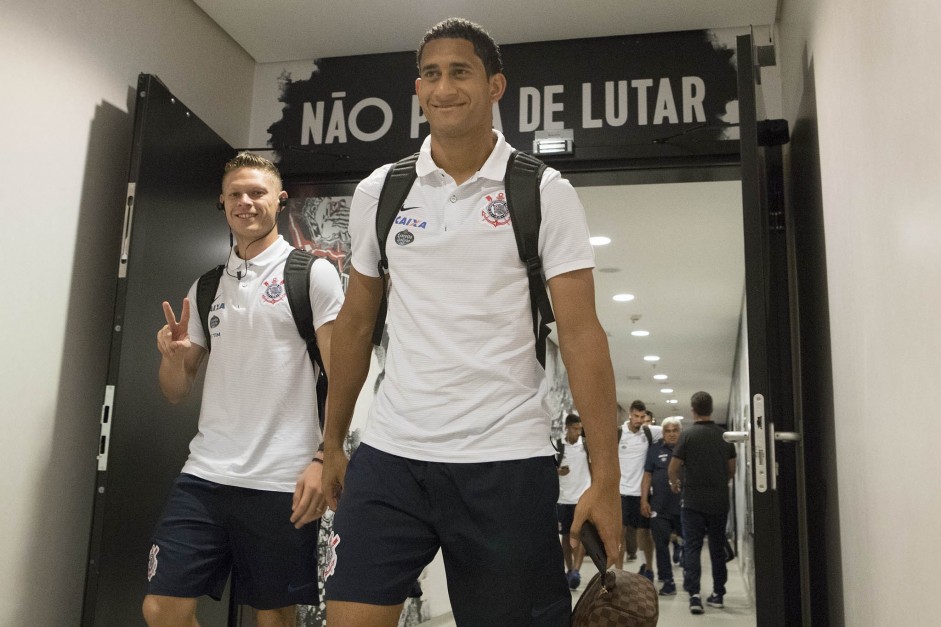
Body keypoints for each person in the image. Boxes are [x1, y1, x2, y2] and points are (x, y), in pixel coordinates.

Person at [320, 17, 621, 626]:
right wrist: (330, 444)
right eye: (430, 73)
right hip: (392, 454)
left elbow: (582, 334)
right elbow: (354, 325)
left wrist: (606, 479)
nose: (443, 86)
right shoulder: (380, 191)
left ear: (495, 86)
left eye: (460, 71)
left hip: (505, 458)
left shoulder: (543, 190)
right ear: (418, 89)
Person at [144, 152, 344, 627]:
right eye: (235, 193)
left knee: (273, 614)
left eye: (257, 192)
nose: (246, 202)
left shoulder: (310, 274)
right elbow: (176, 391)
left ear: (280, 198)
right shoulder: (207, 286)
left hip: (281, 479)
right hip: (205, 474)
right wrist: (171, 359)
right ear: (222, 202)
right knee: (162, 606)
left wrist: (323, 458)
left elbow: (343, 376)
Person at [668, 391, 737, 615]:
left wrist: (675, 484)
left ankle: (694, 595)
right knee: (717, 548)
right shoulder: (724, 436)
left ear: (693, 409)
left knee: (692, 547)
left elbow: (673, 467)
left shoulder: (687, 436)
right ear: (711, 408)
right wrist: (718, 482)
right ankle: (718, 594)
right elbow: (731, 470)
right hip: (718, 502)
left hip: (692, 503)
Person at [617, 400, 661, 580]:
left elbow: (673, 431)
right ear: (630, 414)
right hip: (622, 492)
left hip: (643, 493)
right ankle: (618, 572)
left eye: (643, 417)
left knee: (645, 533)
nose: (639, 420)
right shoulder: (618, 433)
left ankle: (649, 569)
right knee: (620, 533)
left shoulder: (650, 432)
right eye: (636, 416)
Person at [640, 416, 683, 595]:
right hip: (659, 506)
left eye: (675, 431)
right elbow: (647, 476)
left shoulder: (686, 448)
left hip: (684, 506)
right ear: (663, 433)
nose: (671, 434)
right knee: (661, 545)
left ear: (679, 433)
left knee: (689, 546)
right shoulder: (654, 450)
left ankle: (691, 582)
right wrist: (643, 500)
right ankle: (668, 581)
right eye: (668, 431)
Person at [555, 414, 592, 590]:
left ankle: (576, 570)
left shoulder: (585, 446)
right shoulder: (559, 446)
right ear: (567, 428)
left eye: (580, 428)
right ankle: (569, 569)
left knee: (580, 534)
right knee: (566, 537)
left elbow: (593, 469)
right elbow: (551, 470)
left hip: (582, 498)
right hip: (563, 498)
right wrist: (558, 472)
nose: (578, 432)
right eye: (575, 428)